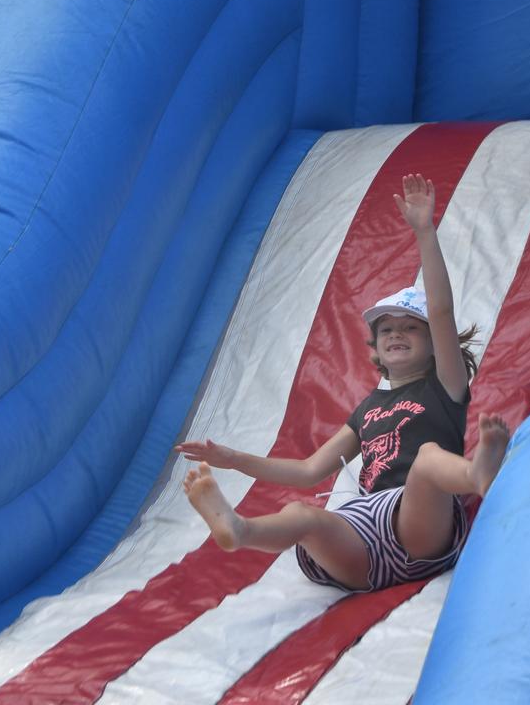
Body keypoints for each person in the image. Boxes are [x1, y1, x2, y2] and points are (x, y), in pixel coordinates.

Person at [177, 173, 511, 593]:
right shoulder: (367, 411)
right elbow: (307, 470)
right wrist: (233, 457)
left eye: (410, 328)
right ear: (375, 346)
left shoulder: (444, 388)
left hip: (420, 523)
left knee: (427, 456)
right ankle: (240, 530)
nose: (395, 333)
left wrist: (424, 231)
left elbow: (441, 311)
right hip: (363, 541)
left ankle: (477, 475)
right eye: (386, 328)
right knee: (302, 514)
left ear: (433, 344)